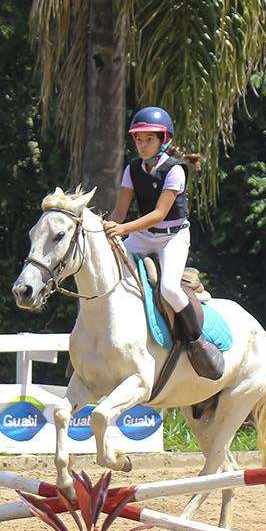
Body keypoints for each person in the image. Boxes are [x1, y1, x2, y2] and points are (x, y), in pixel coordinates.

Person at [102, 107, 224, 380]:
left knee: (168, 288)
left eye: (149, 140)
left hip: (172, 237)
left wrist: (121, 229)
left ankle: (197, 343)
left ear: (163, 140)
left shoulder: (175, 170)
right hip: (143, 236)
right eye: (139, 139)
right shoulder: (132, 169)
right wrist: (106, 230)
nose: (142, 145)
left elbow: (158, 214)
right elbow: (119, 213)